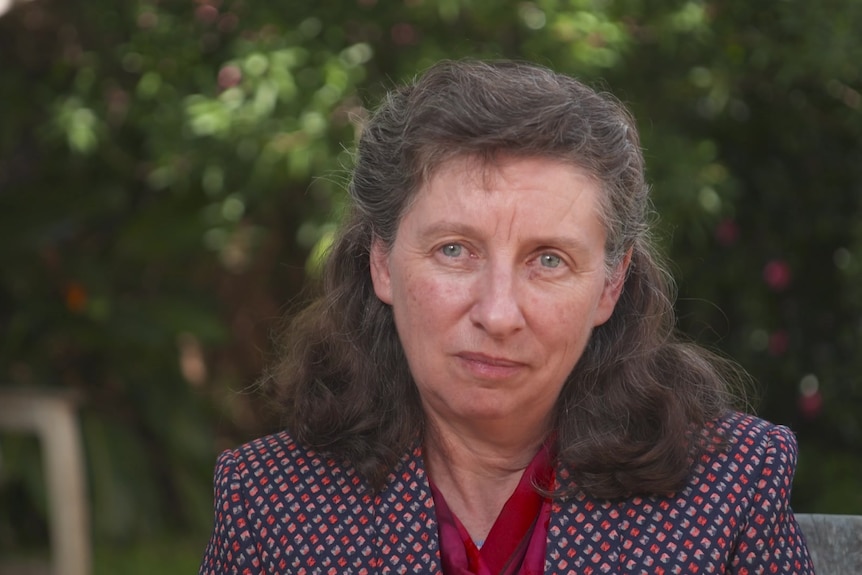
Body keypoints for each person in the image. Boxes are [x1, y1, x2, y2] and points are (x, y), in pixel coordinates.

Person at [199, 59, 814, 574]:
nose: (498, 313)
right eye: (454, 251)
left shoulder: (729, 485)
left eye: (548, 260)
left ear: (610, 285)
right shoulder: (270, 502)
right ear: (382, 264)